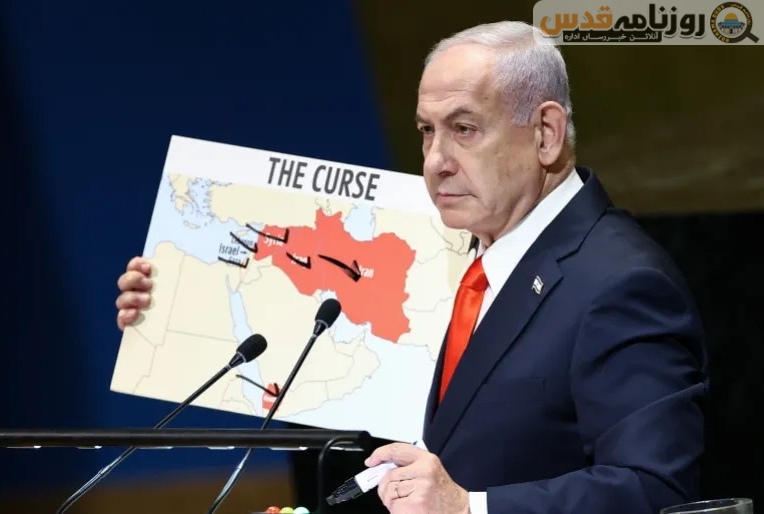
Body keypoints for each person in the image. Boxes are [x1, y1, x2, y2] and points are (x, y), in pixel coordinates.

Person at [117, 20, 707, 514]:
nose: (435, 161)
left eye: (464, 129)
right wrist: (166, 303)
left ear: (546, 133)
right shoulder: (442, 249)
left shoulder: (621, 282)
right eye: (427, 132)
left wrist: (469, 508)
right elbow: (318, 346)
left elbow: (655, 489)